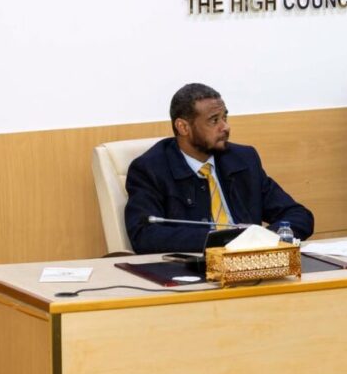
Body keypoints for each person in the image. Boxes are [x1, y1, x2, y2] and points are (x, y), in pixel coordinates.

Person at [125, 83, 314, 254]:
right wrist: (222, 241)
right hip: (194, 270)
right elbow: (144, 235)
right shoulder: (150, 169)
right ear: (183, 127)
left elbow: (299, 215)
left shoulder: (243, 159)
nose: (225, 127)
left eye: (225, 117)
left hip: (252, 264)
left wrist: (260, 239)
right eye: (214, 120)